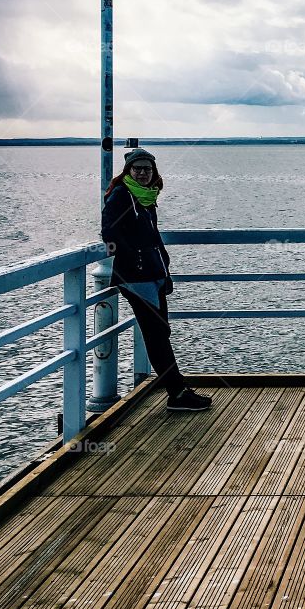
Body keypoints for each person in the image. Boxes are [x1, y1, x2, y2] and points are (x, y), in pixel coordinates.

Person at [101, 147, 212, 412]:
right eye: (137, 168)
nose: (142, 173)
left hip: (154, 275)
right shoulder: (121, 195)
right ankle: (177, 394)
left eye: (146, 169)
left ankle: (178, 390)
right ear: (128, 171)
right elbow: (109, 232)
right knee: (156, 334)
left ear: (153, 173)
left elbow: (152, 238)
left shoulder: (146, 198)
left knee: (160, 332)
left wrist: (164, 270)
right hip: (136, 278)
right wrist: (135, 259)